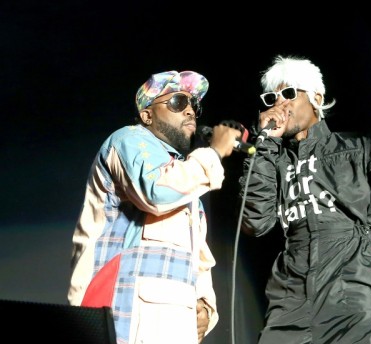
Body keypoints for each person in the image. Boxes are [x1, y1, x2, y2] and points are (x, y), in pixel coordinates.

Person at [238, 55, 371, 343]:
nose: (280, 104)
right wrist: (265, 145)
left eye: (289, 93)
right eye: (272, 98)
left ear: (316, 97)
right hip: (292, 297)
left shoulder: (355, 146)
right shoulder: (273, 161)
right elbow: (255, 222)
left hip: (353, 292)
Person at [68, 70, 242, 343]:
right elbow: (156, 192)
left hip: (173, 317)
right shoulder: (129, 140)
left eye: (193, 105)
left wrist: (204, 303)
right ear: (147, 115)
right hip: (124, 311)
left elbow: (199, 256)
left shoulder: (186, 178)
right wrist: (214, 152)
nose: (190, 112)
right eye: (177, 103)